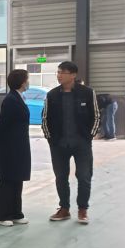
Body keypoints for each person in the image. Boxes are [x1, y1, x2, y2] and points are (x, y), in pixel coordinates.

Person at [41, 61, 99, 224]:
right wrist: (50, 139)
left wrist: (89, 137)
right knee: (61, 177)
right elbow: (45, 118)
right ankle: (64, 209)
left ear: (73, 75)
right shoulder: (52, 95)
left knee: (84, 176)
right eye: (58, 72)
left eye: (63, 72)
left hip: (82, 144)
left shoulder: (87, 93)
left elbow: (96, 116)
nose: (59, 75)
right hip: (58, 144)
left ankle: (82, 209)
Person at [0, 69, 32, 226]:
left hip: (19, 145)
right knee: (7, 179)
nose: (28, 82)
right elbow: (2, 123)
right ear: (22, 82)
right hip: (8, 146)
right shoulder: (10, 100)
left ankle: (16, 213)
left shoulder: (18, 97)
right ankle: (2, 215)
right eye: (27, 79)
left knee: (17, 178)